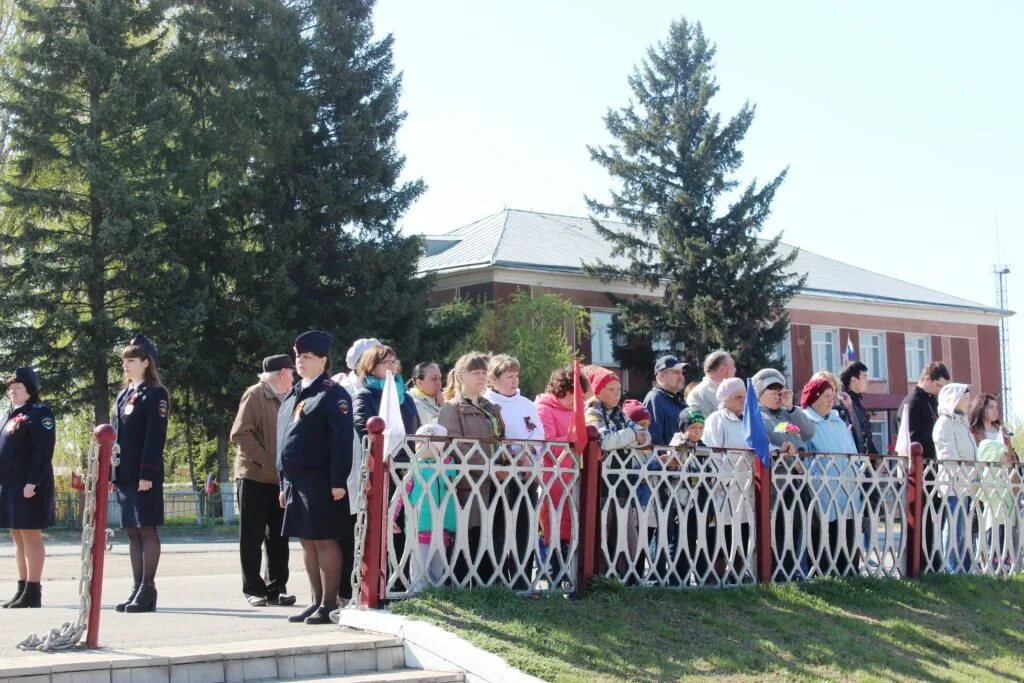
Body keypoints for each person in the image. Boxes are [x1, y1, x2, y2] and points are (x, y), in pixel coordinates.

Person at [277, 330, 353, 624]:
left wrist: (337, 481)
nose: (300, 361)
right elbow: (283, 441)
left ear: (323, 360)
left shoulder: (332, 394)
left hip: (321, 480)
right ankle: (315, 600)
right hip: (296, 482)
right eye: (298, 356)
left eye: (307, 357)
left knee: (323, 540)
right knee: (306, 542)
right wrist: (283, 482)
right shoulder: (296, 393)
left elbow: (341, 442)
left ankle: (329, 602)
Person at [229, 354, 297, 607]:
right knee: (252, 535)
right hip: (254, 476)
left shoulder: (288, 398)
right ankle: (253, 589)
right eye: (291, 372)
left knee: (279, 536)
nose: (294, 376)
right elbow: (240, 433)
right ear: (282, 373)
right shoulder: (255, 394)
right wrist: (266, 462)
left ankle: (277, 587)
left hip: (280, 480)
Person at [112, 335, 169, 614]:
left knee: (146, 529)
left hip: (143, 474)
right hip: (124, 474)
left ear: (146, 363)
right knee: (132, 532)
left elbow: (154, 437)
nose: (125, 364)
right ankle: (137, 586)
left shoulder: (155, 393)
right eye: (124, 360)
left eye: (131, 360)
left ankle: (148, 588)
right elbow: (116, 438)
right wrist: (113, 475)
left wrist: (147, 472)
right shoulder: (124, 395)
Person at [438, 352, 506, 585]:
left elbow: (500, 440)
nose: (481, 376)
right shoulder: (452, 408)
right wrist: (489, 467)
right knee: (468, 536)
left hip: (497, 481)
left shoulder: (492, 407)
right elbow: (458, 445)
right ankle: (462, 585)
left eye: (484, 372)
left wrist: (505, 463)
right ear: (460, 376)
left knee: (492, 534)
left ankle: (488, 585)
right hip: (469, 483)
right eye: (475, 372)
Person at [483, 354, 544, 589]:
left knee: (523, 527)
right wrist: (509, 455)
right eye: (508, 376)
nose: (514, 381)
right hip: (499, 475)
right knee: (498, 526)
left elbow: (537, 435)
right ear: (494, 379)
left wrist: (529, 456)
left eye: (516, 376)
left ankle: (521, 579)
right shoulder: (487, 403)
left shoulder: (527, 404)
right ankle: (496, 580)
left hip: (525, 476)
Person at [586, 367, 651, 581]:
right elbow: (603, 441)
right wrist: (631, 436)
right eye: (612, 389)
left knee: (626, 532)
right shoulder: (593, 412)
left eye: (619, 389)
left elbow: (646, 437)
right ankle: (600, 577)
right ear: (598, 391)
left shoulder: (620, 414)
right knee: (603, 532)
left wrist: (628, 436)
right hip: (602, 483)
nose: (617, 394)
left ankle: (627, 577)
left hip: (623, 483)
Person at [0, 368, 56, 608]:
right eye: (10, 387)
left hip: (30, 484)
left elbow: (43, 451)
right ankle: (22, 587)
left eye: (18, 386)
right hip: (11, 485)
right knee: (17, 535)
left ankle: (34, 590)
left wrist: (33, 481)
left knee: (30, 534)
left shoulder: (39, 413)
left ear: (30, 390)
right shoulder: (9, 414)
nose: (12, 390)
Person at [752, 368, 814, 579]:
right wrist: (784, 452)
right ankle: (776, 573)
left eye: (780, 388)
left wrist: (791, 407)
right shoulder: (756, 415)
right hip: (774, 484)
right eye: (772, 389)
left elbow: (808, 432)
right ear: (759, 392)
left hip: (795, 482)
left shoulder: (786, 413)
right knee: (777, 529)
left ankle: (790, 571)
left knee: (794, 527)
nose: (778, 393)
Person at [801, 377, 860, 575]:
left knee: (847, 532)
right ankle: (822, 575)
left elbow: (852, 450)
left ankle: (849, 574)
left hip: (848, 487)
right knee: (825, 534)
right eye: (826, 396)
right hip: (822, 490)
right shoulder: (805, 421)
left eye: (833, 397)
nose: (831, 401)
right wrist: (815, 474)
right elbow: (804, 455)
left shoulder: (837, 420)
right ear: (814, 398)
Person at [534, 366, 590, 578]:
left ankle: (569, 575)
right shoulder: (543, 408)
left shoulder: (576, 410)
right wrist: (572, 441)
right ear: (563, 390)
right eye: (577, 394)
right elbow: (547, 442)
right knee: (553, 527)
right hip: (552, 478)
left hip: (573, 476)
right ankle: (551, 574)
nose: (581, 399)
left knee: (571, 528)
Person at [392, 423, 456, 593]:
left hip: (443, 525)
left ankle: (435, 592)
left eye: (429, 442)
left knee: (438, 562)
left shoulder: (450, 466)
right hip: (420, 525)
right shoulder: (415, 467)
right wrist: (392, 516)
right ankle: (418, 592)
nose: (422, 446)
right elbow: (401, 494)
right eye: (419, 442)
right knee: (419, 562)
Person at [899, 361, 950, 571]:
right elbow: (913, 439)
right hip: (919, 472)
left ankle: (932, 562)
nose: (940, 391)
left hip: (933, 472)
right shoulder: (913, 402)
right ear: (927, 379)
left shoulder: (931, 401)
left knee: (933, 519)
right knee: (921, 520)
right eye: (938, 386)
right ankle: (918, 564)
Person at [700, 377, 752, 581]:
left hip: (746, 488)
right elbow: (713, 452)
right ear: (725, 399)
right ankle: (719, 576)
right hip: (725, 489)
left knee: (743, 531)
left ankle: (740, 574)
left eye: (744, 396)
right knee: (723, 532)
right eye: (737, 397)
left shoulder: (748, 420)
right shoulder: (717, 419)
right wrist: (724, 480)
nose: (742, 400)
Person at [933, 382, 976, 573]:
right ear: (955, 399)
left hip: (966, 484)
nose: (968, 402)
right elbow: (948, 456)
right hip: (953, 484)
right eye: (965, 398)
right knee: (952, 528)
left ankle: (961, 568)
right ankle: (951, 568)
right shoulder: (944, 424)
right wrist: (965, 475)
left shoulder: (962, 423)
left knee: (962, 530)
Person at [352, 345, 420, 441]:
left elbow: (418, 432)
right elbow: (366, 436)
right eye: (387, 362)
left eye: (394, 362)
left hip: (410, 455)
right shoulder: (363, 396)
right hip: (381, 455)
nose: (392, 366)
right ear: (371, 367)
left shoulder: (406, 397)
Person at [642, 355, 688, 446]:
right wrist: (665, 459)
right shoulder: (655, 399)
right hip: (666, 459)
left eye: (682, 373)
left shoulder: (679, 400)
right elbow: (654, 439)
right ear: (662, 376)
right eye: (676, 372)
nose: (681, 377)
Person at [840, 362, 879, 456]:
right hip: (851, 460)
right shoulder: (843, 402)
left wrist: (875, 457)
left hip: (863, 460)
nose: (868, 381)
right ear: (853, 380)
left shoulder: (857, 402)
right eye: (864, 377)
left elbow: (866, 433)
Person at [687, 350, 736, 418]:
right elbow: (698, 426)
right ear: (722, 369)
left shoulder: (731, 391)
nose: (735, 370)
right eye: (733, 366)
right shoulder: (698, 394)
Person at [968, 394, 1017, 461]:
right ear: (981, 409)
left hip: (1005, 469)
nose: (995, 411)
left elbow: (1010, 454)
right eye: (991, 407)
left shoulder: (1002, 431)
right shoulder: (973, 432)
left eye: (996, 407)